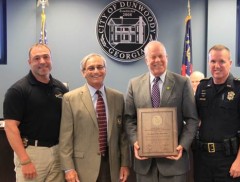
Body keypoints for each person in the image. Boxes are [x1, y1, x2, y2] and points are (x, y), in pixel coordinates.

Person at [124, 40, 199, 182]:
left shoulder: (182, 83)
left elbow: (192, 119)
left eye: (161, 56)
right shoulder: (134, 84)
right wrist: (135, 142)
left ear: (167, 58)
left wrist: (182, 146)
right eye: (153, 57)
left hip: (174, 163)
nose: (157, 60)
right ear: (146, 60)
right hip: (145, 163)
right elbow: (129, 119)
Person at [59, 53, 130, 182]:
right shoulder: (70, 99)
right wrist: (68, 168)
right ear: (83, 72)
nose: (96, 71)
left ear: (105, 70)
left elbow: (123, 136)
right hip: (83, 168)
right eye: (91, 68)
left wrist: (125, 163)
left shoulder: (118, 97)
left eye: (100, 67)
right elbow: (65, 138)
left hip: (112, 166)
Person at [3, 43, 68, 181]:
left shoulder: (60, 87)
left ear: (51, 59)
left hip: (58, 152)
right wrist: (25, 161)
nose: (42, 61)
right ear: (29, 62)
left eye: (46, 57)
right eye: (37, 58)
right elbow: (10, 127)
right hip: (32, 153)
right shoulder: (18, 90)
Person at [195, 44, 240, 182]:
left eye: (221, 61)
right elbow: (196, 119)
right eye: (213, 61)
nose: (216, 65)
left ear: (229, 63)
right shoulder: (202, 87)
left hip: (229, 159)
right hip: (203, 160)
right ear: (208, 63)